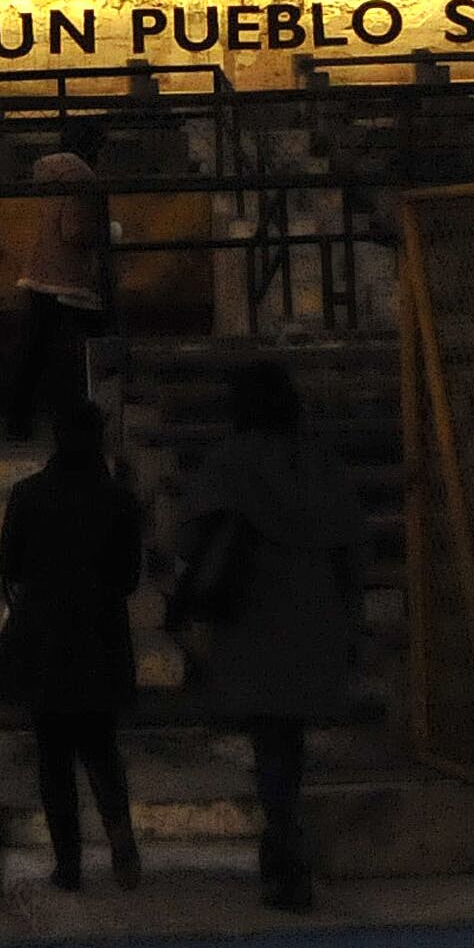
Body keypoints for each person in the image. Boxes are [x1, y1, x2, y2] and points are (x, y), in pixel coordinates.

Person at [170, 358, 362, 912]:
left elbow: (189, 540)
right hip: (315, 618)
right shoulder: (321, 463)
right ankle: (284, 844)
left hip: (255, 619)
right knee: (289, 744)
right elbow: (351, 546)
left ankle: (284, 848)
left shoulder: (232, 463)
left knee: (271, 744)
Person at [0, 397, 145, 891]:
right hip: (99, 635)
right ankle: (121, 839)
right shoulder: (119, 501)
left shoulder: (29, 495)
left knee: (53, 757)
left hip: (45, 640)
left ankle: (69, 863)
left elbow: (8, 567)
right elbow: (128, 577)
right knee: (102, 749)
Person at [1, 143, 110, 440]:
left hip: (39, 274)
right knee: (99, 340)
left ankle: (18, 422)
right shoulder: (82, 184)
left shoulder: (53, 178)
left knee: (35, 351)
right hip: (69, 278)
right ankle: (102, 409)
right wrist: (102, 232)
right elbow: (74, 231)